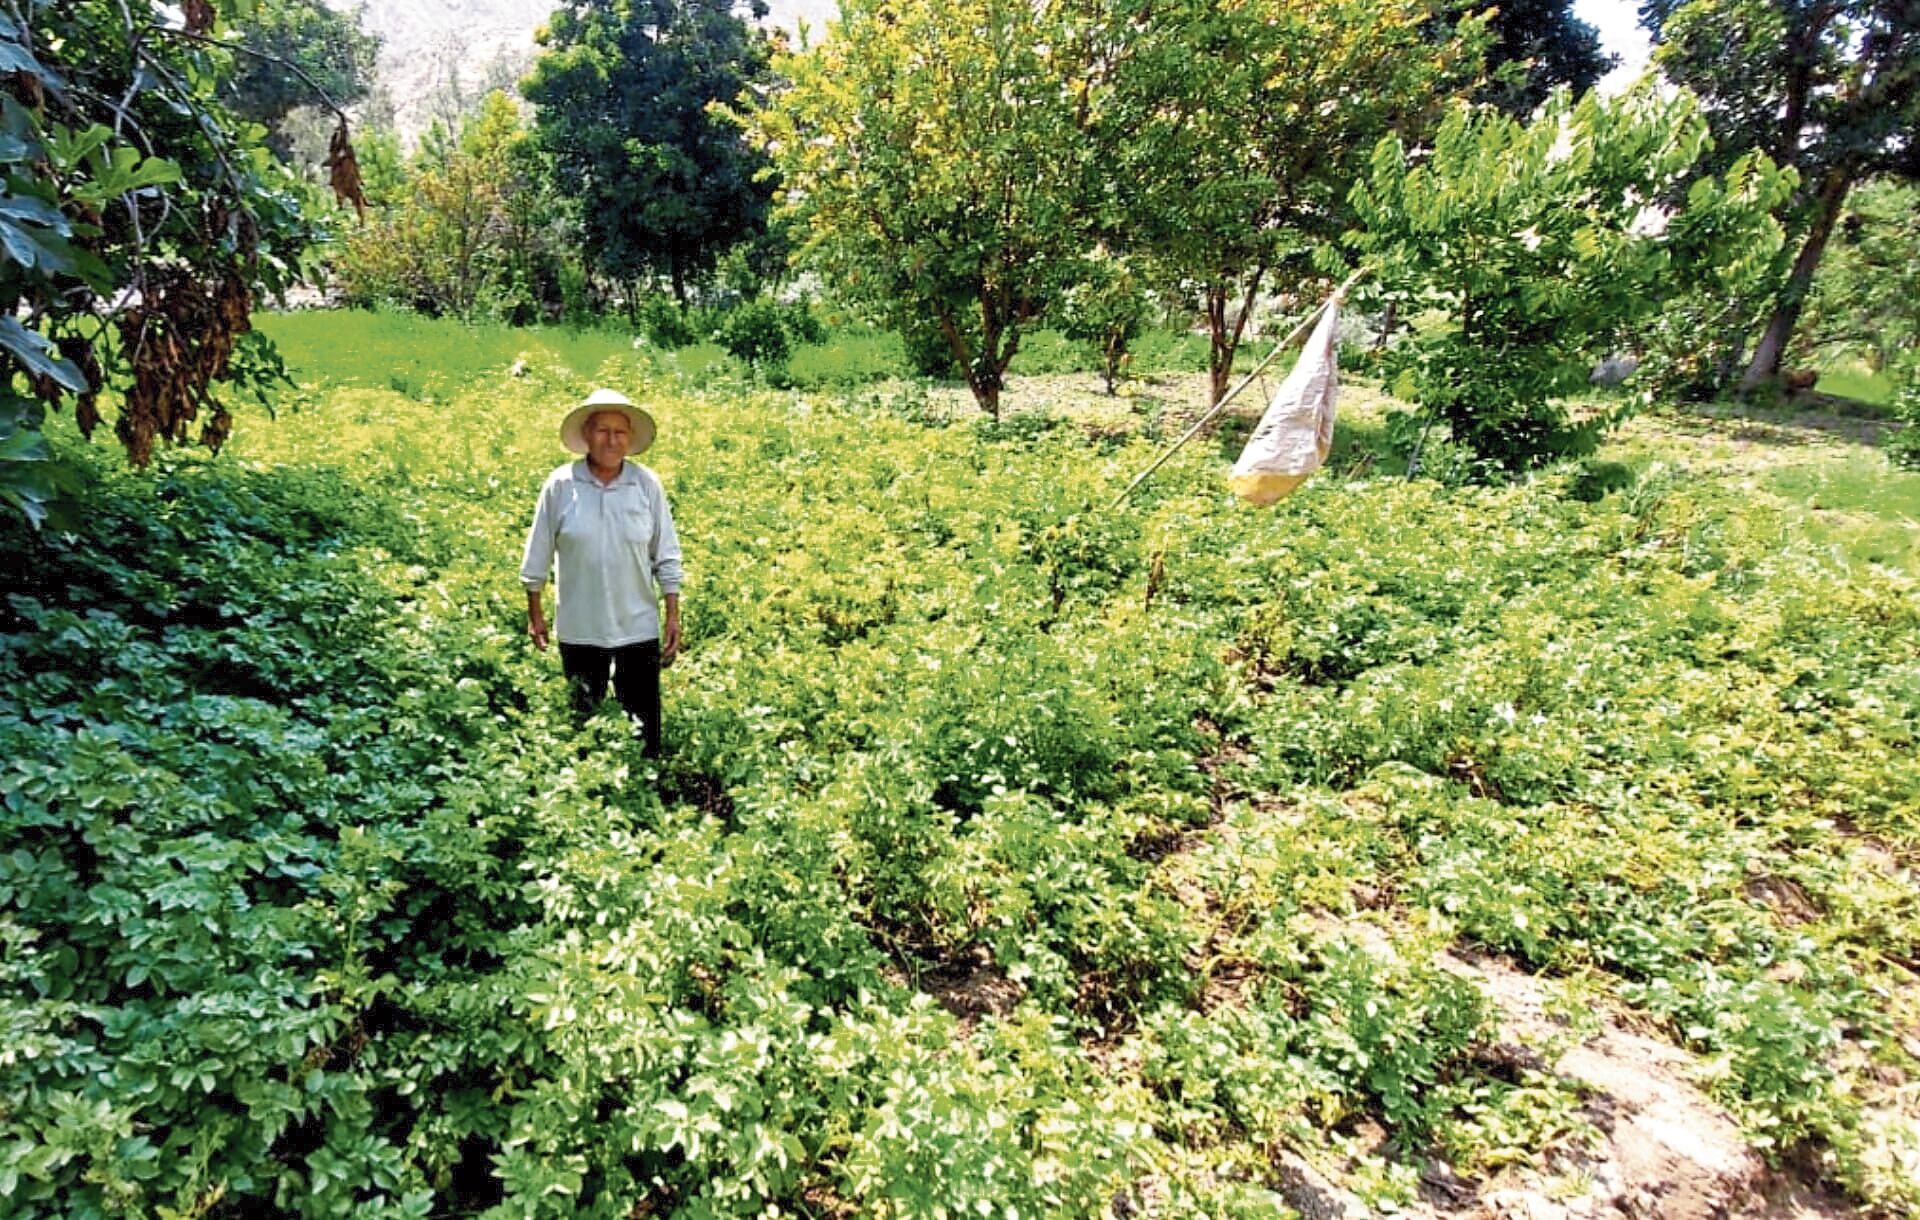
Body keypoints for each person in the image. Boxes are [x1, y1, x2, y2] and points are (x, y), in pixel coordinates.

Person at [520, 388, 683, 753]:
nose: (611, 440)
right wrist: (535, 614)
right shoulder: (561, 486)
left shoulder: (646, 485)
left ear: (629, 439)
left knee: (643, 723)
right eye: (602, 430)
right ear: (586, 436)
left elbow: (666, 555)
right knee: (583, 719)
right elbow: (538, 553)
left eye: (620, 432)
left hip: (636, 623)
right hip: (580, 625)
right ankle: (588, 793)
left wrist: (672, 615)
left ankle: (645, 787)